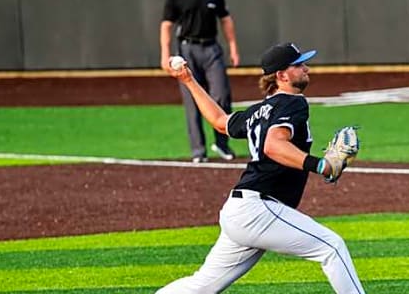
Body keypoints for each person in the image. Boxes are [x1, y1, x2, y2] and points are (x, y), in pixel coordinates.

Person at [156, 43, 366, 294]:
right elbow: (273, 145)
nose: (306, 68)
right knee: (332, 247)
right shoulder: (292, 103)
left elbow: (220, 121)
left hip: (240, 210)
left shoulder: (258, 111)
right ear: (281, 75)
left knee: (201, 286)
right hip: (258, 209)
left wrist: (188, 80)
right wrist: (321, 165)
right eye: (299, 65)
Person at [161, 0, 240, 162]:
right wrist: (165, 53)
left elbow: (225, 19)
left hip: (211, 48)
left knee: (221, 95)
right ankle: (198, 150)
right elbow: (166, 25)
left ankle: (222, 144)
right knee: (192, 100)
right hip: (187, 49)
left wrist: (233, 47)